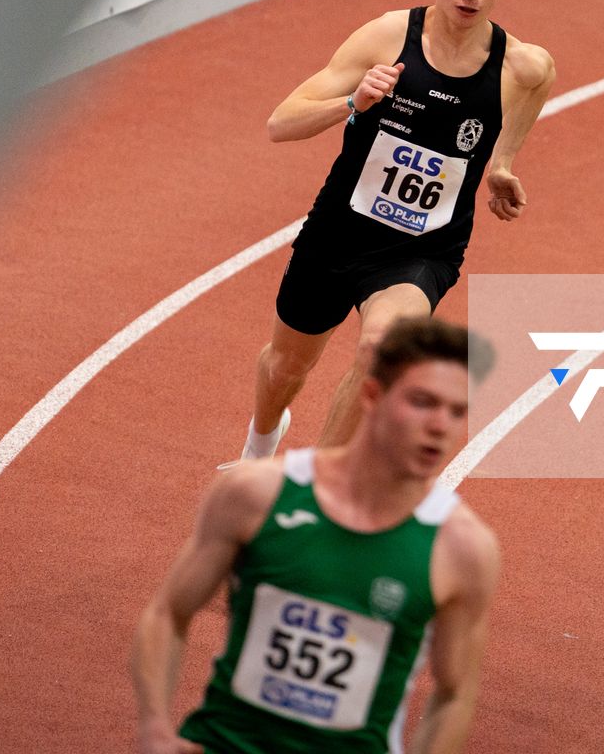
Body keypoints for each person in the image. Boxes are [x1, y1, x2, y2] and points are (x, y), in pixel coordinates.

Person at [229, 0, 554, 461]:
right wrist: (352, 104)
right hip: (337, 233)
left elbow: (535, 91)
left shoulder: (521, 65)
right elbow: (281, 122)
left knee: (383, 347)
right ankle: (262, 443)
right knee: (285, 366)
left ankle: (312, 490)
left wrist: (502, 164)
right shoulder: (387, 38)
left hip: (421, 250)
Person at [132, 317, 500, 754]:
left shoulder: (461, 548)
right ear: (372, 395)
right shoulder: (256, 494)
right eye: (423, 402)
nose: (441, 426)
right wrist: (155, 729)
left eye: (457, 411)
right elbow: (168, 613)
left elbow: (455, 693)